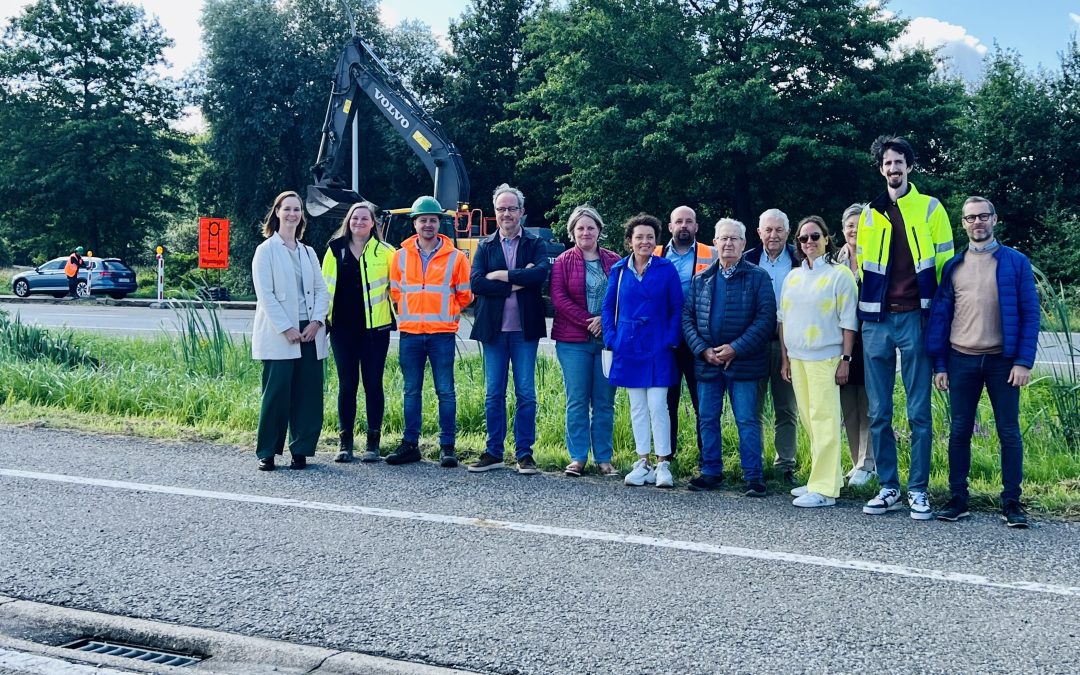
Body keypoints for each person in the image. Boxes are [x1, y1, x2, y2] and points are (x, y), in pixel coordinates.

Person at [857, 135, 954, 520]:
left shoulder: (931, 208)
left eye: (899, 162)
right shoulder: (869, 213)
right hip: (876, 322)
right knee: (879, 412)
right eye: (887, 163)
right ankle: (888, 487)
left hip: (916, 316)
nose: (893, 169)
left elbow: (946, 267)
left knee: (918, 412)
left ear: (909, 166)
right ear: (880, 168)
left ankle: (918, 490)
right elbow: (862, 268)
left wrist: (942, 318)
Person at [928, 197, 1038, 528]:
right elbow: (941, 316)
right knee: (959, 431)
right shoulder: (953, 265)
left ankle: (1011, 501)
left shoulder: (1016, 263)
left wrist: (1023, 361)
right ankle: (958, 498)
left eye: (983, 216)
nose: (977, 222)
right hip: (961, 359)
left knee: (1009, 432)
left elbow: (1031, 315)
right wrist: (940, 364)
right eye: (970, 218)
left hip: (1003, 362)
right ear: (963, 223)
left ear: (994, 219)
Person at [682, 218, 775, 496]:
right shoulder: (701, 279)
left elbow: (765, 319)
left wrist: (736, 348)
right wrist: (703, 349)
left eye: (734, 239)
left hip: (744, 362)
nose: (728, 243)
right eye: (723, 238)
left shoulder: (758, 277)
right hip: (708, 362)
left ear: (744, 244)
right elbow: (687, 318)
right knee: (707, 418)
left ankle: (753, 476)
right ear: (715, 243)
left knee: (746, 419)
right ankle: (711, 471)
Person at [468, 184, 551, 475]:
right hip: (493, 330)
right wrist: (518, 282)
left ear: (521, 212)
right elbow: (477, 283)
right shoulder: (485, 245)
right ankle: (493, 452)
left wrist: (502, 275)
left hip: (524, 330)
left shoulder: (534, 243)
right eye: (501, 208)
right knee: (494, 393)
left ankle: (525, 454)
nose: (506, 213)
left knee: (526, 393)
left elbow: (540, 274)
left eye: (512, 208)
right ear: (495, 212)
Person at [386, 196, 473, 467]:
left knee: (445, 391)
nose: (428, 224)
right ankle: (410, 445)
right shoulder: (399, 257)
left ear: (439, 224)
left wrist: (442, 314)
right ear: (415, 223)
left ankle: (447, 447)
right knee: (411, 391)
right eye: (423, 220)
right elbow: (396, 292)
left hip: (441, 334)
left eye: (433, 220)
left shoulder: (456, 258)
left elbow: (465, 295)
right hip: (411, 333)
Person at [778, 216, 858, 507]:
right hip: (798, 358)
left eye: (815, 236)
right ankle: (823, 477)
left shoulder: (840, 275)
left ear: (826, 238)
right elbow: (783, 319)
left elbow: (849, 321)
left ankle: (824, 491)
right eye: (803, 238)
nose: (809, 242)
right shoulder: (793, 276)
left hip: (826, 357)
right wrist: (785, 359)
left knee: (825, 421)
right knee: (810, 421)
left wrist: (845, 359)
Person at [602, 213, 683, 488]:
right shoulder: (619, 271)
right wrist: (613, 339)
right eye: (639, 237)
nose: (645, 241)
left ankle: (663, 463)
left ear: (656, 241)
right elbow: (607, 307)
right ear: (629, 241)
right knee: (637, 407)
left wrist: (671, 340)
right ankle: (643, 461)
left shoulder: (666, 269)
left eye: (650, 237)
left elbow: (677, 308)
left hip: (659, 345)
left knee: (659, 405)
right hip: (628, 346)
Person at [251, 191, 330, 471]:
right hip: (279, 333)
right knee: (276, 393)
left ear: (301, 216)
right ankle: (268, 452)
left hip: (309, 332)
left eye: (297, 210)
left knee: (307, 394)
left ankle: (301, 450)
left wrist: (316, 321)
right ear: (277, 213)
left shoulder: (308, 252)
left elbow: (322, 290)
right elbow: (266, 294)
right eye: (287, 209)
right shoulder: (266, 251)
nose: (292, 214)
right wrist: (286, 328)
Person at [321, 201, 396, 463]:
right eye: (355, 218)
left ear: (373, 223)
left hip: (375, 330)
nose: (359, 223)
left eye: (365, 219)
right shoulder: (334, 250)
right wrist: (322, 320)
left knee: (373, 385)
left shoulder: (386, 252)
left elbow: (396, 290)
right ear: (348, 221)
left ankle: (373, 444)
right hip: (342, 329)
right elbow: (324, 288)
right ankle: (345, 443)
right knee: (347, 385)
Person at [551, 205, 621, 477]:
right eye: (580, 227)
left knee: (604, 402)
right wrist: (589, 322)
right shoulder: (562, 262)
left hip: (606, 341)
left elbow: (621, 296)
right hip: (573, 342)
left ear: (599, 231)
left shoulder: (614, 260)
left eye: (591, 227)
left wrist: (604, 322)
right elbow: (559, 299)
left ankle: (603, 458)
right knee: (577, 400)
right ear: (572, 232)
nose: (585, 232)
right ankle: (578, 458)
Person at [743, 209, 800, 484]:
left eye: (779, 230)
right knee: (752, 408)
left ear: (787, 233)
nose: (773, 235)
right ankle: (754, 463)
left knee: (786, 408)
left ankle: (785, 465)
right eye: (768, 230)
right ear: (759, 233)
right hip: (754, 343)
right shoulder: (748, 260)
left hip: (788, 344)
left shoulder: (800, 260)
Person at [655, 205, 716, 460]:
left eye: (688, 221)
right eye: (678, 221)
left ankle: (707, 459)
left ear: (696, 227)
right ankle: (665, 458)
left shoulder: (710, 254)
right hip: (665, 339)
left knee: (702, 401)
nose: (683, 226)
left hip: (698, 338)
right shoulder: (656, 253)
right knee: (665, 402)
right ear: (670, 227)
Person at [834, 203, 876, 486]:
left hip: (871, 338)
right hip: (842, 341)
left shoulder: (876, 257)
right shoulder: (835, 261)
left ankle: (869, 463)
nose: (854, 230)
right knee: (848, 405)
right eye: (850, 225)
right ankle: (855, 463)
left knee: (870, 403)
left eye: (860, 225)